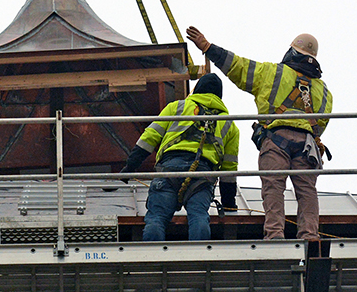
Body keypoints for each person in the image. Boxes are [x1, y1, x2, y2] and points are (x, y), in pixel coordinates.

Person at [185, 26, 333, 241]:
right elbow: (321, 124)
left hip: (276, 140)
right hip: (307, 146)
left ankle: (274, 235)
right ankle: (310, 235)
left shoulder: (272, 73)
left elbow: (238, 66)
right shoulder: (324, 91)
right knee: (307, 191)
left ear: (292, 52)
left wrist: (208, 48)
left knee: (273, 187)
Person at [120, 73, 239, 241]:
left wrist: (130, 167)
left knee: (157, 218)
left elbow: (149, 137)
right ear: (219, 96)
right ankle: (200, 261)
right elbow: (229, 169)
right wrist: (228, 203)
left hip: (169, 169)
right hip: (201, 175)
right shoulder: (230, 124)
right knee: (198, 216)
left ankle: (152, 260)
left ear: (197, 90)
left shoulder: (176, 107)